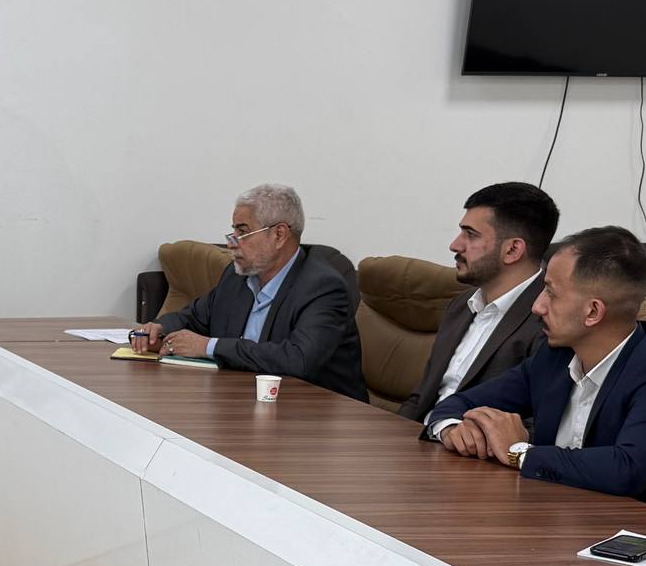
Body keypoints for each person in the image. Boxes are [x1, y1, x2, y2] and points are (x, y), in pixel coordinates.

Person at [427, 226, 646, 505]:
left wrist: (519, 452)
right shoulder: (556, 357)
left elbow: (626, 470)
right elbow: (457, 403)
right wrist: (452, 428)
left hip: (635, 528)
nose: (537, 306)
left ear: (592, 311)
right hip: (550, 512)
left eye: (550, 293)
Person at [129, 183, 367, 400]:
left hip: (319, 416)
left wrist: (208, 347)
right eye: (233, 232)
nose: (231, 243)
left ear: (279, 234)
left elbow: (298, 360)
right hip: (247, 400)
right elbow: (194, 317)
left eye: (242, 232)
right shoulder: (237, 276)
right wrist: (158, 329)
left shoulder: (323, 287)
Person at [401, 181, 558, 423]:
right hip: (415, 435)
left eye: (471, 234)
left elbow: (538, 423)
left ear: (512, 250)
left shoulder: (548, 320)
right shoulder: (461, 305)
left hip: (467, 444)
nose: (455, 245)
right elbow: (420, 399)